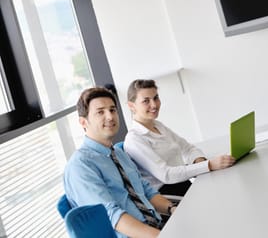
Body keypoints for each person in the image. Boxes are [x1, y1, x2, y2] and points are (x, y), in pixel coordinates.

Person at [64, 87, 175, 238]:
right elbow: (113, 216)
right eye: (100, 112)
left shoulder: (118, 153)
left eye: (112, 110)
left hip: (156, 226)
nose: (110, 116)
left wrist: (172, 209)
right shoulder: (81, 166)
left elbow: (146, 191)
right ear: (83, 122)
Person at [124, 79, 235, 196]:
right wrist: (209, 165)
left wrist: (199, 161)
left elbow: (187, 148)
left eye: (156, 98)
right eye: (146, 101)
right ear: (132, 106)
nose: (154, 105)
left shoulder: (158, 126)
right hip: (169, 196)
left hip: (183, 184)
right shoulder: (134, 139)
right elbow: (166, 175)